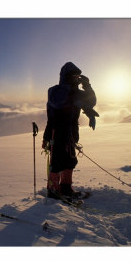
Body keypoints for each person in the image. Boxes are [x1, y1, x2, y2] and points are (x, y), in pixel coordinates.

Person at [42, 61, 99, 199]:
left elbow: (90, 102)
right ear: (66, 77)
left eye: (77, 76)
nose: (76, 79)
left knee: (68, 161)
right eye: (74, 76)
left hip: (65, 133)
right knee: (58, 162)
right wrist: (83, 85)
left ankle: (63, 188)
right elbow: (60, 102)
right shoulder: (64, 92)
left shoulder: (68, 92)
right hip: (61, 132)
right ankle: (55, 191)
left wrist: (88, 87)